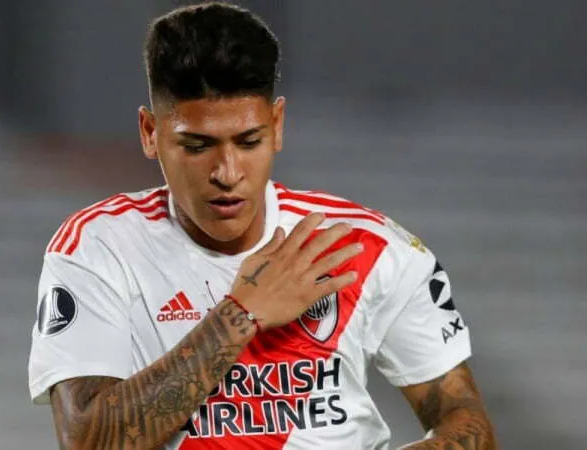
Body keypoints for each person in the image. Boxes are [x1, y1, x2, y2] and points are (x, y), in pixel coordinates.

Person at [28, 2, 496, 449]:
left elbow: (470, 426)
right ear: (150, 133)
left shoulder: (368, 247)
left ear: (278, 124)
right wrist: (240, 315)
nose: (227, 172)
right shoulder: (99, 248)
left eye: (249, 141)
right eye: (197, 146)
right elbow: (86, 440)